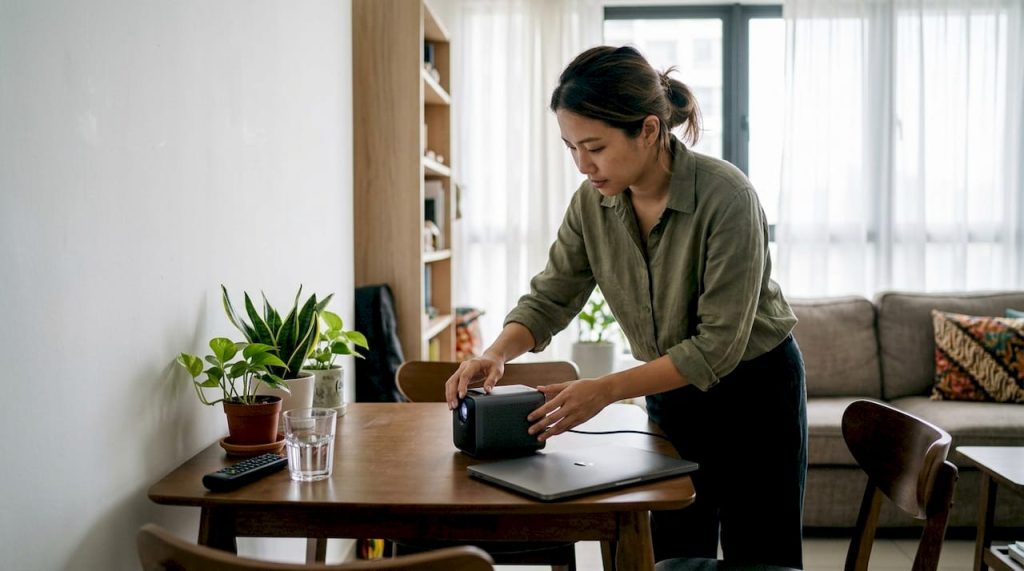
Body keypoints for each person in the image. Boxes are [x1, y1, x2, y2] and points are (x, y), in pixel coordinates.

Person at [445, 45, 807, 569]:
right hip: (670, 392)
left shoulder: (727, 197)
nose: (583, 165)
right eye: (571, 148)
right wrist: (498, 352)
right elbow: (551, 294)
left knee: (762, 556)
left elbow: (715, 349)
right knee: (672, 552)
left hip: (755, 392)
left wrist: (606, 391)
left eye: (594, 146)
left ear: (650, 130)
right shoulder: (591, 203)